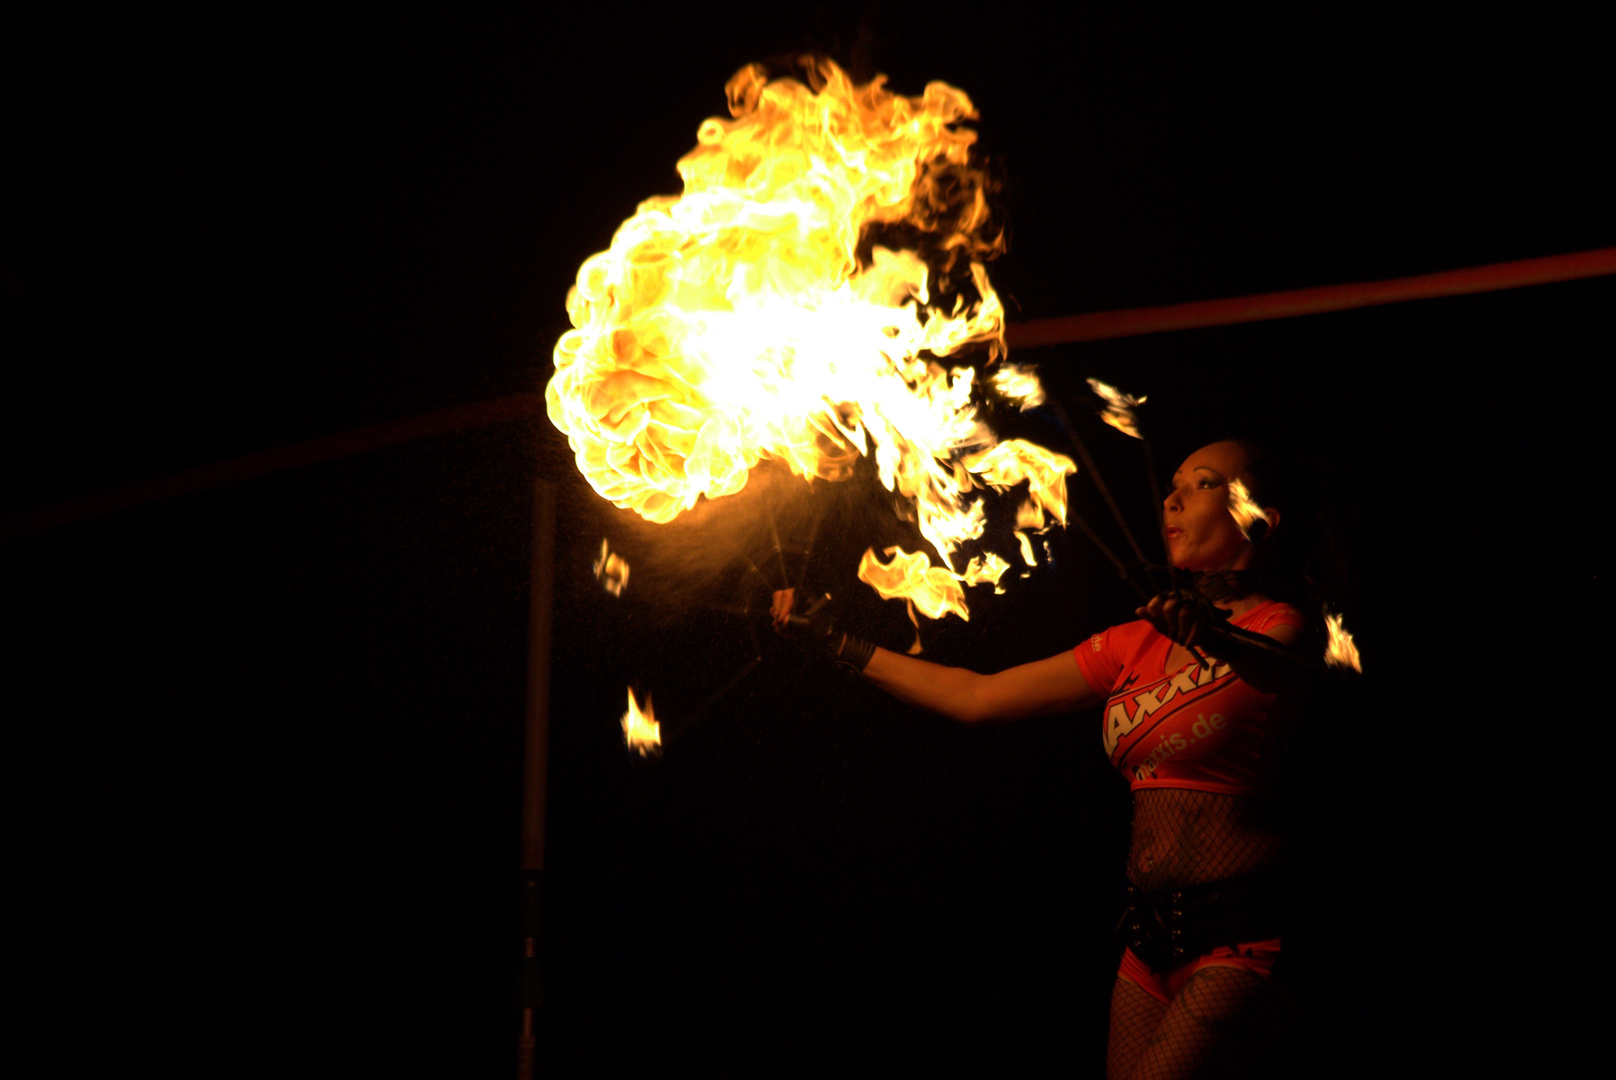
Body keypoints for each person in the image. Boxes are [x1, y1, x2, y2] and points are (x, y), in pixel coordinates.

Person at [773, 439, 1319, 1079]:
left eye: (1201, 484)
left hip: (1241, 940)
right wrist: (839, 645)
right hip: (1146, 947)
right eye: (1171, 483)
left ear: (1260, 517)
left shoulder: (1287, 627)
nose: (1171, 499)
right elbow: (975, 695)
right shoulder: (1133, 643)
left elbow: (1276, 670)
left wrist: (1214, 635)